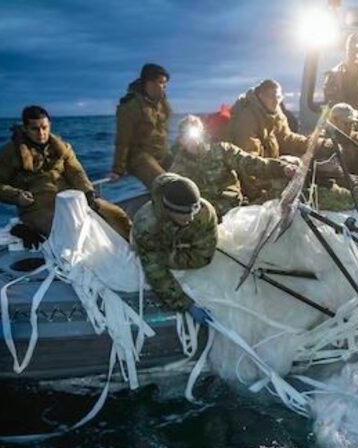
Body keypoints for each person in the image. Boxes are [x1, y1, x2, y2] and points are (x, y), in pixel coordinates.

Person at [0, 105, 132, 243]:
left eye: (44, 127)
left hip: (70, 199)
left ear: (49, 125)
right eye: (35, 129)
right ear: (25, 129)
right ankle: (25, 228)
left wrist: (88, 193)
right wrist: (17, 196)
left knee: (116, 215)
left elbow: (76, 172)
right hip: (37, 207)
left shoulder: (63, 148)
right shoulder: (8, 154)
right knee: (69, 232)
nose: (41, 133)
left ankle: (137, 249)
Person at [171, 115, 298, 218]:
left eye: (195, 134)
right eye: (186, 136)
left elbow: (252, 164)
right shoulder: (178, 166)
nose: (193, 141)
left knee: (282, 186)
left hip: (233, 212)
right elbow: (169, 190)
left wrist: (282, 168)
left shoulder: (222, 151)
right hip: (205, 219)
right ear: (181, 140)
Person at [132, 173, 218, 313]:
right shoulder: (146, 226)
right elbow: (156, 272)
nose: (190, 218)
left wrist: (172, 257)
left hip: (174, 248)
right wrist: (186, 304)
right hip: (155, 246)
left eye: (193, 210)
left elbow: (204, 256)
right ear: (169, 210)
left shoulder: (204, 213)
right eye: (184, 213)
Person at [110, 63, 173, 188]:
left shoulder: (162, 103)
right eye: (161, 83)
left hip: (161, 153)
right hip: (139, 157)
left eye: (165, 84)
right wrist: (118, 169)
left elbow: (165, 126)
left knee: (187, 176)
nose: (164, 87)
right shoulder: (131, 105)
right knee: (165, 185)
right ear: (149, 83)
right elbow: (123, 139)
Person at [221, 79, 313, 158]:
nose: (276, 101)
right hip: (249, 171)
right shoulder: (247, 117)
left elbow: (285, 138)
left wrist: (311, 144)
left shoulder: (275, 112)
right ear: (261, 96)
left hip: (266, 166)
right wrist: (276, 168)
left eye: (278, 97)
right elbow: (249, 157)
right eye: (271, 97)